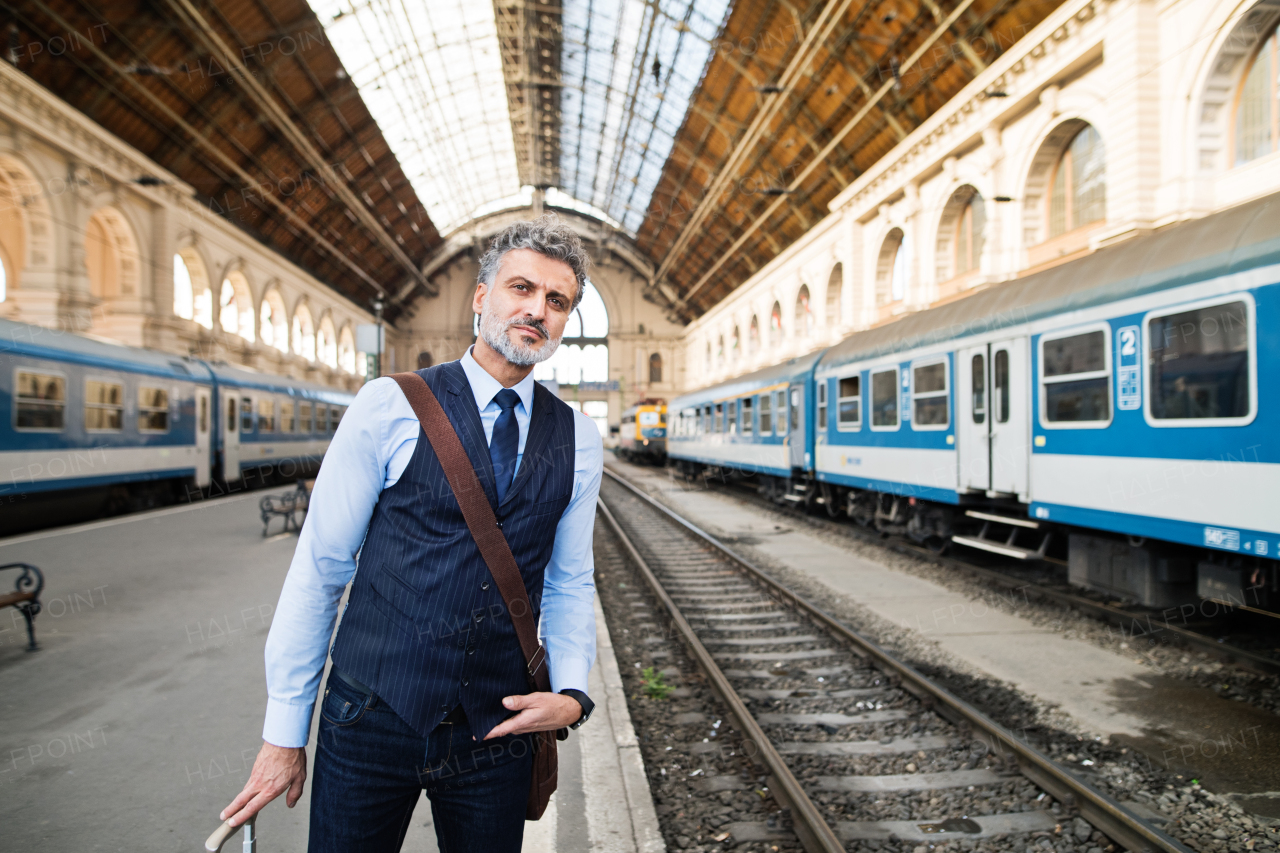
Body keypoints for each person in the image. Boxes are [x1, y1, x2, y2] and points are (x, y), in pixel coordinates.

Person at [220, 216, 604, 852]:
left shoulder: (577, 440)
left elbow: (568, 579)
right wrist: (284, 733)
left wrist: (573, 693)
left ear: (566, 320)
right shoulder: (388, 404)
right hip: (371, 715)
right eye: (521, 288)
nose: (536, 309)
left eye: (557, 301)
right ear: (482, 296)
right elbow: (320, 567)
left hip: (498, 727)